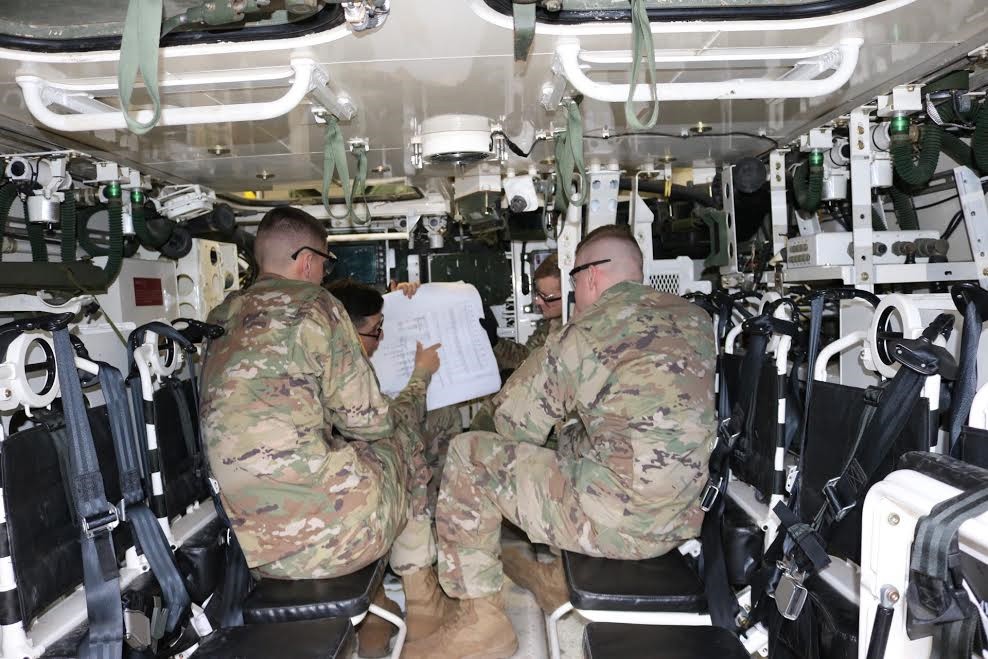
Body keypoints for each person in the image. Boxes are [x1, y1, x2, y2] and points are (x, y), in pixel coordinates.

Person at [404, 225, 717, 659]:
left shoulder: (584, 332)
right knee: (573, 439)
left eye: (573, 283)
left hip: (620, 526)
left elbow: (513, 425)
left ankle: (482, 622)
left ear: (589, 278)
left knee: (470, 456)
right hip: (680, 519)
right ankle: (555, 576)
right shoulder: (696, 320)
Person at [199, 207, 435, 657]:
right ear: (307, 261)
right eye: (326, 264)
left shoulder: (221, 313)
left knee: (346, 457)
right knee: (401, 440)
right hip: (330, 538)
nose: (324, 275)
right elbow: (371, 422)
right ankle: (422, 606)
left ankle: (376, 613)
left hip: (250, 549)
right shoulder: (315, 306)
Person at [324, 278, 462, 643]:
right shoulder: (343, 367)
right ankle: (421, 595)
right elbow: (389, 425)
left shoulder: (317, 346)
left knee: (439, 420)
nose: (381, 339)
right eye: (375, 332)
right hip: (344, 484)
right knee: (405, 445)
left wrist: (401, 297)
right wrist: (421, 375)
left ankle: (382, 607)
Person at [490, 253, 564, 372]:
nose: (537, 301)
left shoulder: (575, 331)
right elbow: (526, 358)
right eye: (537, 293)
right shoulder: (550, 326)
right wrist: (495, 342)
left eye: (546, 296)